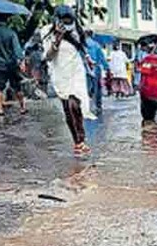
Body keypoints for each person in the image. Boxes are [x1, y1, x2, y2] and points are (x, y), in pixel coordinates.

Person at [42, 6, 94, 156]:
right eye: (63, 21)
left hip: (75, 71)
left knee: (75, 104)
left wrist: (88, 59)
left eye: (68, 21)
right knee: (67, 108)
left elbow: (81, 47)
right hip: (59, 73)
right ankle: (77, 141)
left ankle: (81, 139)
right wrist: (57, 40)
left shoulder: (76, 29)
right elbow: (48, 56)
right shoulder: (46, 32)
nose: (66, 23)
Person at [0, 14, 26, 116]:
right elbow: (17, 50)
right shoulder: (11, 33)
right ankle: (22, 107)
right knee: (17, 87)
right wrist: (21, 61)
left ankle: (0, 109)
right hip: (11, 64)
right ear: (7, 21)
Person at [84, 32, 107, 115]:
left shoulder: (81, 44)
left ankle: (85, 107)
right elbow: (102, 58)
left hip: (83, 70)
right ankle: (98, 106)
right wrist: (107, 68)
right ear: (92, 35)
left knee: (85, 88)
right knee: (97, 88)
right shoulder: (96, 45)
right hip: (95, 69)